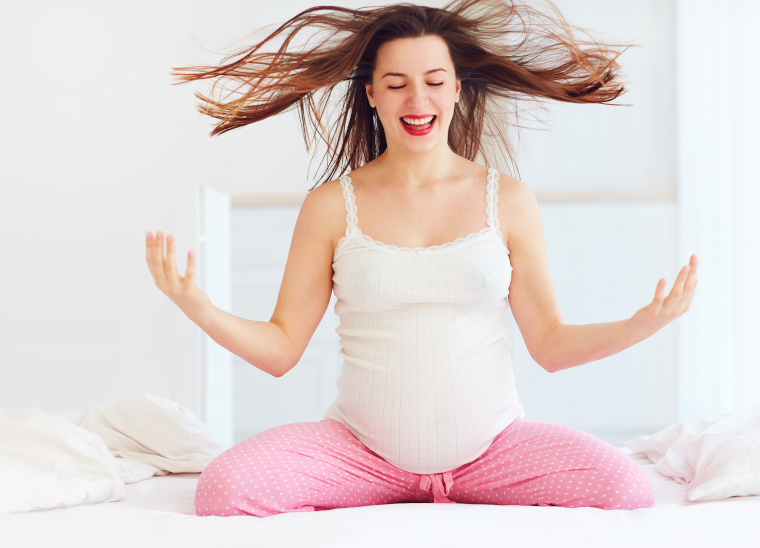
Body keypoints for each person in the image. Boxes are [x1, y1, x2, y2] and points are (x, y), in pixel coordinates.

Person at [145, 0, 697, 516]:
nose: (417, 101)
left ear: (457, 88)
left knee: (624, 486)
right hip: (361, 456)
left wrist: (641, 324)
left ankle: (455, 487)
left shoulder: (507, 199)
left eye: (434, 82)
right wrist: (199, 307)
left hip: (493, 453)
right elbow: (282, 348)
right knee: (223, 490)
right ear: (370, 95)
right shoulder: (332, 205)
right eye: (397, 84)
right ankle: (396, 488)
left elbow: (549, 344)